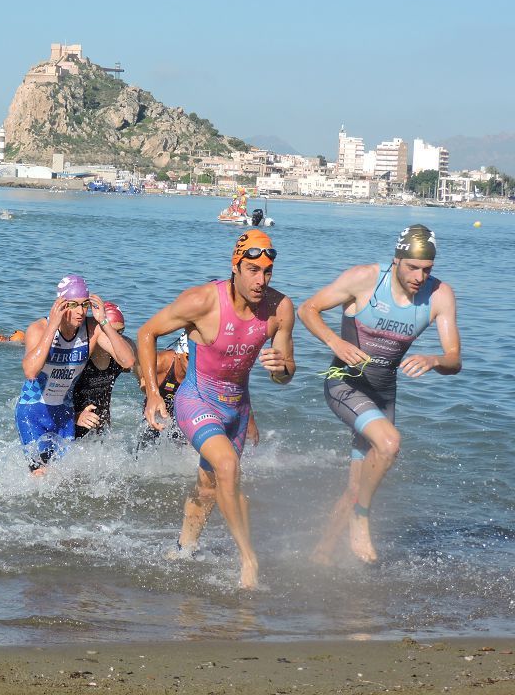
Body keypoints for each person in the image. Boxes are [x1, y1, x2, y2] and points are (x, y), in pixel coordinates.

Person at [138, 230, 295, 589]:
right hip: (196, 399)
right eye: (252, 270)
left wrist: (281, 370)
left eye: (267, 272)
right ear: (235, 266)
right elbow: (148, 333)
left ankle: (184, 549)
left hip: (236, 409)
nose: (260, 280)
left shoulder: (281, 309)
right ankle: (248, 560)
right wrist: (152, 393)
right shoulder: (202, 301)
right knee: (228, 467)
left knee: (209, 486)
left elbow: (286, 372)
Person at [298, 224, 461, 565]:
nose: (419, 277)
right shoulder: (364, 280)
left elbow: (454, 359)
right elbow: (307, 309)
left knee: (359, 485)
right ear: (396, 260)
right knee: (389, 444)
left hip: (384, 394)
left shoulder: (440, 295)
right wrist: (335, 342)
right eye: (412, 268)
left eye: (426, 270)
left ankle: (321, 554)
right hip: (345, 383)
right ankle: (360, 519)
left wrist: (435, 360)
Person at [16, 275, 135, 474]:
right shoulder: (39, 329)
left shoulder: (91, 329)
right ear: (60, 304)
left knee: (63, 477)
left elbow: (127, 361)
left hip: (64, 413)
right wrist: (53, 326)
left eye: (84, 305)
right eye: (73, 305)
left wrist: (104, 322)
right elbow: (30, 370)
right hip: (34, 411)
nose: (80, 312)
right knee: (41, 475)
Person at [72, 302, 135, 438]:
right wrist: (75, 417)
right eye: (110, 332)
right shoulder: (80, 355)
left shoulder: (126, 350)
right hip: (70, 425)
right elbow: (54, 399)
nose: (117, 339)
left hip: (101, 433)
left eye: (120, 332)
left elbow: (145, 375)